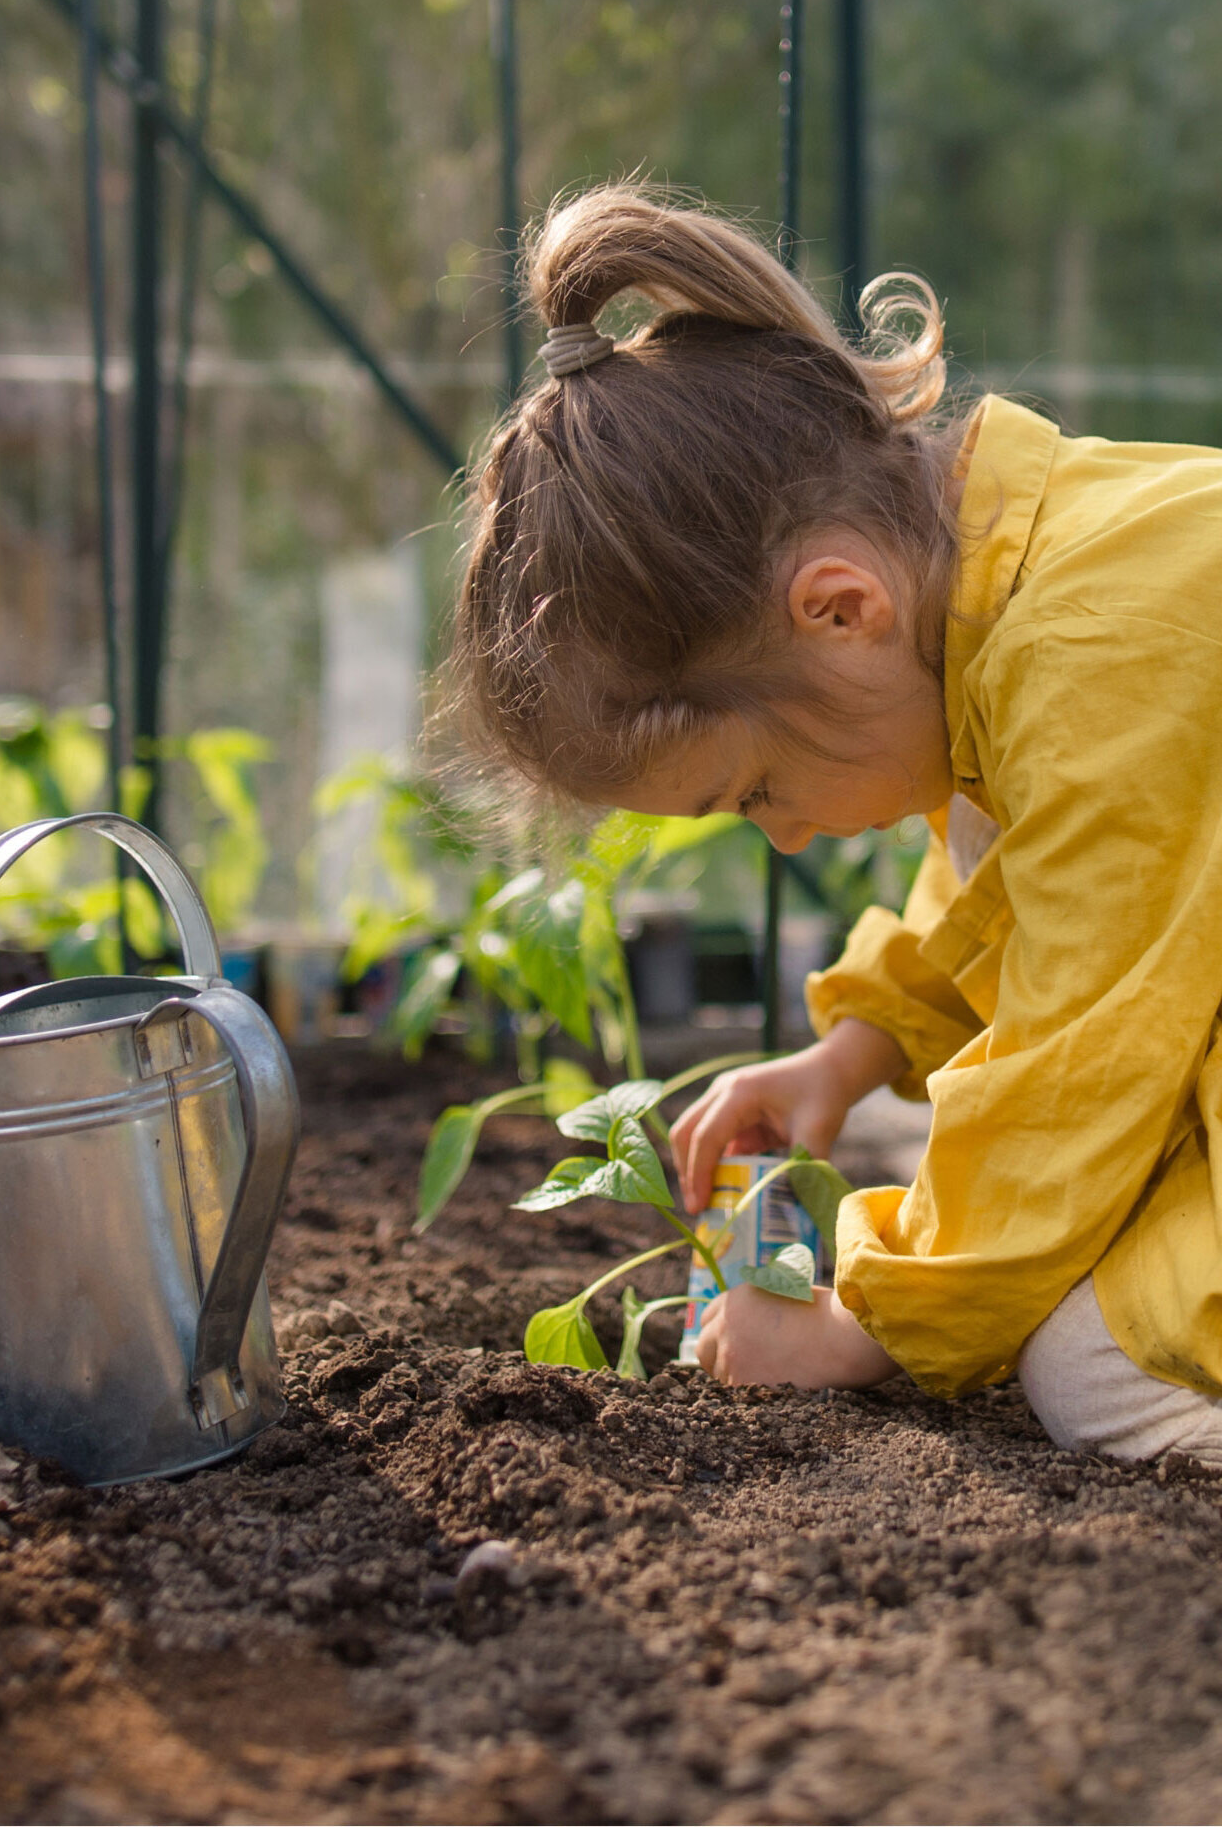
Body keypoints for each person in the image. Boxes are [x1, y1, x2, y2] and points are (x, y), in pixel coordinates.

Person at [449, 181, 1222, 1466]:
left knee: (1096, 1366)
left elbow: (1079, 1059)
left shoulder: (1101, 652)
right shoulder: (1023, 583)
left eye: (750, 792)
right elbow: (1026, 873)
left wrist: (873, 1314)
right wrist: (853, 1055)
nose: (788, 835)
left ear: (839, 609)